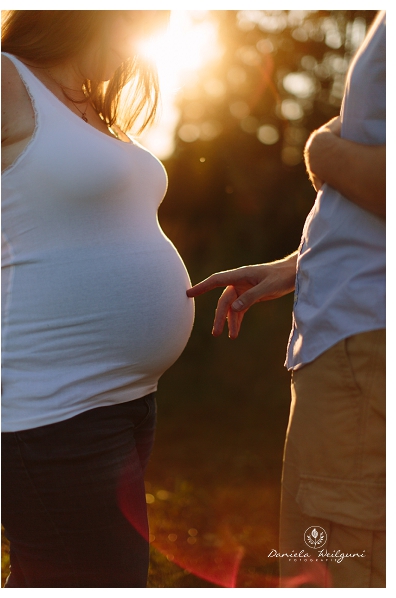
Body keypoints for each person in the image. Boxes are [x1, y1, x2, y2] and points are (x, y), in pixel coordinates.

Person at [187, 11, 385, 588]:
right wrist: (298, 266)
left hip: (363, 353)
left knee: (342, 569)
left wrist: (322, 150)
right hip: (347, 351)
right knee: (317, 563)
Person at [1, 10, 191, 587]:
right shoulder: (7, 78)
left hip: (125, 399)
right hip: (52, 406)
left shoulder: (86, 104)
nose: (139, 53)